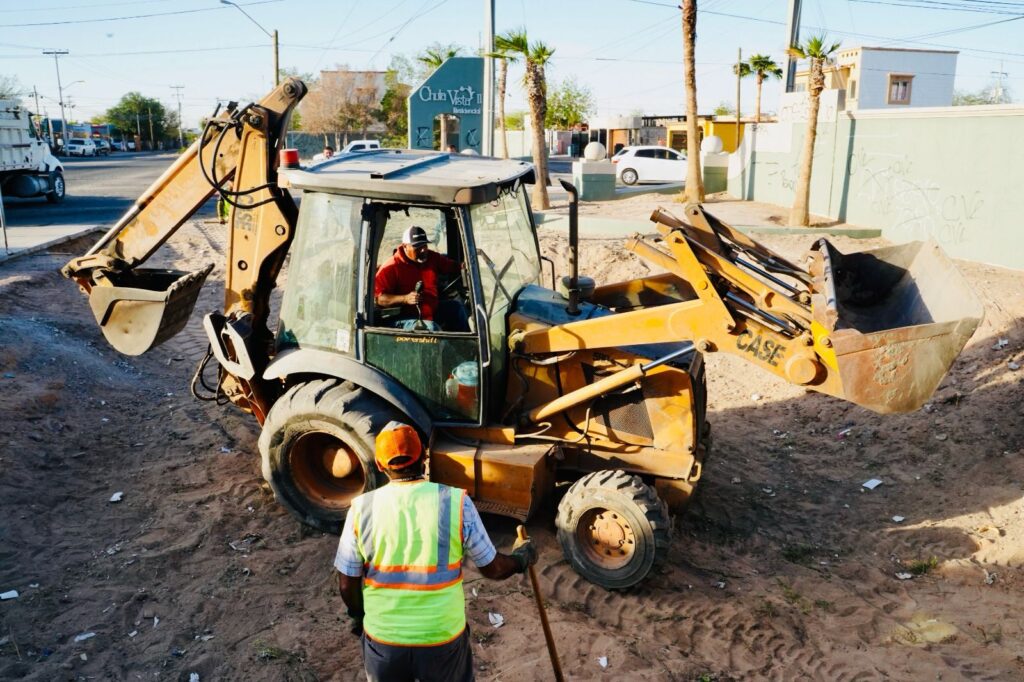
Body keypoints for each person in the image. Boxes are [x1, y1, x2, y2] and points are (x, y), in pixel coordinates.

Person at [335, 421, 537, 682]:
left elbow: (346, 584)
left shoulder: (360, 509)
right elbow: (494, 569)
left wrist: (358, 615)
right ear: (424, 457)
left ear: (380, 465)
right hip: (442, 641)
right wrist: (520, 558)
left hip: (384, 641)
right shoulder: (456, 502)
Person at [374, 225, 467, 331]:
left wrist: (464, 267)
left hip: (431, 312)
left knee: (456, 308)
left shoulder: (432, 258)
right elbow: (380, 299)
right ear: (405, 246)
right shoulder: (391, 267)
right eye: (417, 247)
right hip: (404, 318)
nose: (423, 250)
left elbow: (453, 266)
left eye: (424, 245)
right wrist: (405, 299)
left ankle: (468, 341)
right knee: (430, 328)